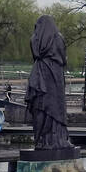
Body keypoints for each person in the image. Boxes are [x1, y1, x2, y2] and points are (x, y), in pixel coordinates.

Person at [26, 15, 71, 150]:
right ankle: (57, 139)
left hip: (38, 73)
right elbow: (63, 58)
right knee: (56, 106)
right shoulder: (58, 38)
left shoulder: (34, 39)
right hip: (54, 75)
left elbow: (35, 55)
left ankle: (40, 140)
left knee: (40, 106)